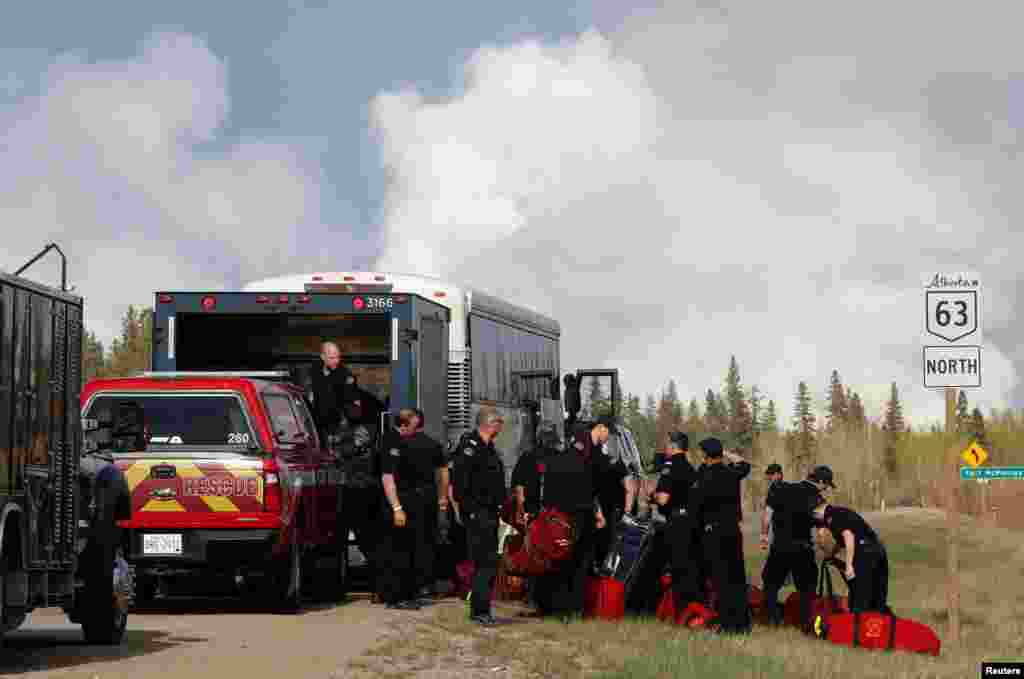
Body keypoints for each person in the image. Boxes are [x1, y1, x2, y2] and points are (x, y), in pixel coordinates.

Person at [526, 422, 607, 621]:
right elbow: (592, 494)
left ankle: (555, 608)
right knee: (580, 565)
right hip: (582, 520)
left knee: (559, 564)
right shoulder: (589, 465)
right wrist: (599, 515)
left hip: (558, 521)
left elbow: (547, 494)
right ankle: (575, 610)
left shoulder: (555, 461)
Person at [375, 409, 445, 610]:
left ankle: (404, 594)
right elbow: (388, 477)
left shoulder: (400, 440)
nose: (416, 431)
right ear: (404, 424)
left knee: (407, 549)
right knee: (398, 551)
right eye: (414, 427)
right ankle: (396, 597)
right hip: (396, 502)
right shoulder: (391, 441)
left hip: (404, 501)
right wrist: (397, 508)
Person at [450, 407, 507, 626]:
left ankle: (482, 609)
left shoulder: (488, 448)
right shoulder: (470, 447)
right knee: (485, 562)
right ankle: (479, 611)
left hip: (490, 511)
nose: (501, 426)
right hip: (478, 513)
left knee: (489, 562)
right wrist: (470, 511)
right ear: (491, 424)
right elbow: (460, 483)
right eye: (499, 422)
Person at [688, 438, 751, 634]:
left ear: (706, 455)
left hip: (713, 532)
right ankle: (742, 623)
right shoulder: (731, 473)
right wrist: (726, 454)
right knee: (737, 577)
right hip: (733, 531)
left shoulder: (704, 476)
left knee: (721, 579)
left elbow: (695, 507)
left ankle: (726, 624)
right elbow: (745, 465)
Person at [811, 473, 890, 614]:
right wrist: (831, 555)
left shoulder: (831, 517)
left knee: (859, 600)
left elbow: (848, 537)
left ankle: (859, 630)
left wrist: (848, 566)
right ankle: (883, 628)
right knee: (877, 599)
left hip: (866, 553)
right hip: (878, 550)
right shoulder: (840, 512)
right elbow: (842, 541)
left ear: (816, 510)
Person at [760, 468, 823, 631]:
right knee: (807, 587)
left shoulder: (778, 488)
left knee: (771, 584)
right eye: (826, 485)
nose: (825, 489)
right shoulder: (815, 496)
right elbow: (822, 526)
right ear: (820, 482)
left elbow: (767, 515)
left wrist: (764, 535)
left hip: (779, 546)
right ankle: (805, 622)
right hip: (802, 548)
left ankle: (771, 620)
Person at [653, 431, 700, 615]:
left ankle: (677, 610)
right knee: (689, 567)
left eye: (667, 445)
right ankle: (691, 608)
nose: (665, 448)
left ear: (673, 447)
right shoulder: (690, 468)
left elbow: (663, 499)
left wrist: (653, 495)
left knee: (675, 568)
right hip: (691, 522)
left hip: (676, 522)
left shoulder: (670, 465)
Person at [578, 417, 632, 572]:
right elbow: (629, 487)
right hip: (596, 510)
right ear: (601, 427)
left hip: (599, 511)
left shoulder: (597, 456)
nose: (609, 438)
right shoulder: (595, 455)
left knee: (598, 549)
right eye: (609, 433)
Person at [405, 408, 449, 599]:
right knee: (427, 541)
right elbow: (443, 473)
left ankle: (411, 583)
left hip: (406, 498)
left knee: (407, 541)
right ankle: (426, 584)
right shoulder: (433, 445)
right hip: (428, 497)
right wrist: (443, 497)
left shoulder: (402, 445)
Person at [309, 341, 360, 445]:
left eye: (338, 357)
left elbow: (354, 402)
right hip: (316, 422)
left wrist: (345, 426)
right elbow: (311, 392)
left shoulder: (346, 375)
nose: (336, 361)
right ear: (323, 357)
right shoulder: (315, 370)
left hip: (337, 425)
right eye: (332, 358)